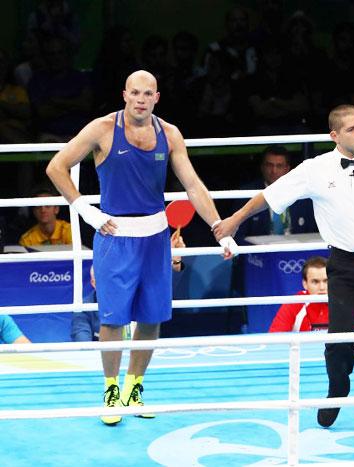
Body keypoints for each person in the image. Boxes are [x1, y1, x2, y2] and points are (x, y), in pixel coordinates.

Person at [214, 48, 354, 438]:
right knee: (340, 340)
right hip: (343, 265)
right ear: (334, 135)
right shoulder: (314, 169)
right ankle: (337, 389)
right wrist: (234, 221)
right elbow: (269, 195)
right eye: (353, 129)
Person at [46, 70, 231, 426]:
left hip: (156, 237)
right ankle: (111, 389)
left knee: (150, 317)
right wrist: (83, 207)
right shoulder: (101, 129)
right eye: (135, 93)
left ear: (157, 97)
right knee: (113, 318)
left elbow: (192, 184)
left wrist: (218, 228)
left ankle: (135, 387)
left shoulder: (170, 134)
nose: (142, 99)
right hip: (115, 235)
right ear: (125, 95)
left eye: (148, 93)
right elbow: (57, 166)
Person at [71, 229, 187, 342]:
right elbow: (83, 342)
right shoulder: (84, 308)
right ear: (94, 283)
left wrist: (175, 260)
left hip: (143, 355)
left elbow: (164, 289)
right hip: (105, 358)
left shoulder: (140, 294)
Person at [233, 145, 317, 242]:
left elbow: (313, 233)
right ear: (262, 167)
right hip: (260, 253)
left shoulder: (303, 195)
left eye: (279, 166)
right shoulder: (246, 194)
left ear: (287, 169)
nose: (274, 171)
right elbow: (238, 237)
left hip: (297, 254)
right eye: (269, 165)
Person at [269, 256, 354, 332]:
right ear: (305, 284)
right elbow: (275, 338)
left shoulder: (346, 303)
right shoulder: (293, 304)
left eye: (326, 281)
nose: (322, 287)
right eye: (315, 282)